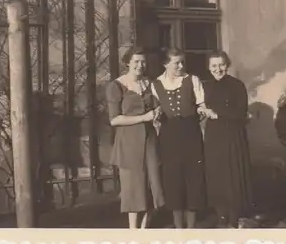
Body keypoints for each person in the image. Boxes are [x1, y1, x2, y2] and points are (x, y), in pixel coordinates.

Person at [105, 47, 165, 229]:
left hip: (150, 141)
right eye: (136, 61)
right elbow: (114, 119)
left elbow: (158, 106)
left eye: (143, 62)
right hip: (129, 142)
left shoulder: (149, 84)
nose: (140, 65)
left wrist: (158, 112)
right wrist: (143, 118)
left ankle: (144, 230)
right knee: (133, 189)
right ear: (128, 63)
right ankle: (133, 232)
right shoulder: (116, 86)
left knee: (152, 186)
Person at [150, 48, 208, 229]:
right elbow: (155, 110)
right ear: (166, 64)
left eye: (183, 62)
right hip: (169, 135)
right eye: (177, 63)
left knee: (193, 177)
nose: (181, 66)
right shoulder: (156, 84)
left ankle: (191, 227)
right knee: (173, 178)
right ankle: (178, 228)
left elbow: (202, 105)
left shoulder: (192, 80)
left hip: (191, 133)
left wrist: (201, 111)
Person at [202, 51, 255, 228]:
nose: (218, 69)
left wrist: (217, 114)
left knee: (232, 177)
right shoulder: (206, 86)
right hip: (213, 136)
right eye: (214, 66)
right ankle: (221, 217)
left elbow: (241, 112)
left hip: (232, 135)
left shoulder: (237, 85)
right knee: (216, 176)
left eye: (221, 65)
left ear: (227, 65)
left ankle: (233, 219)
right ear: (209, 68)